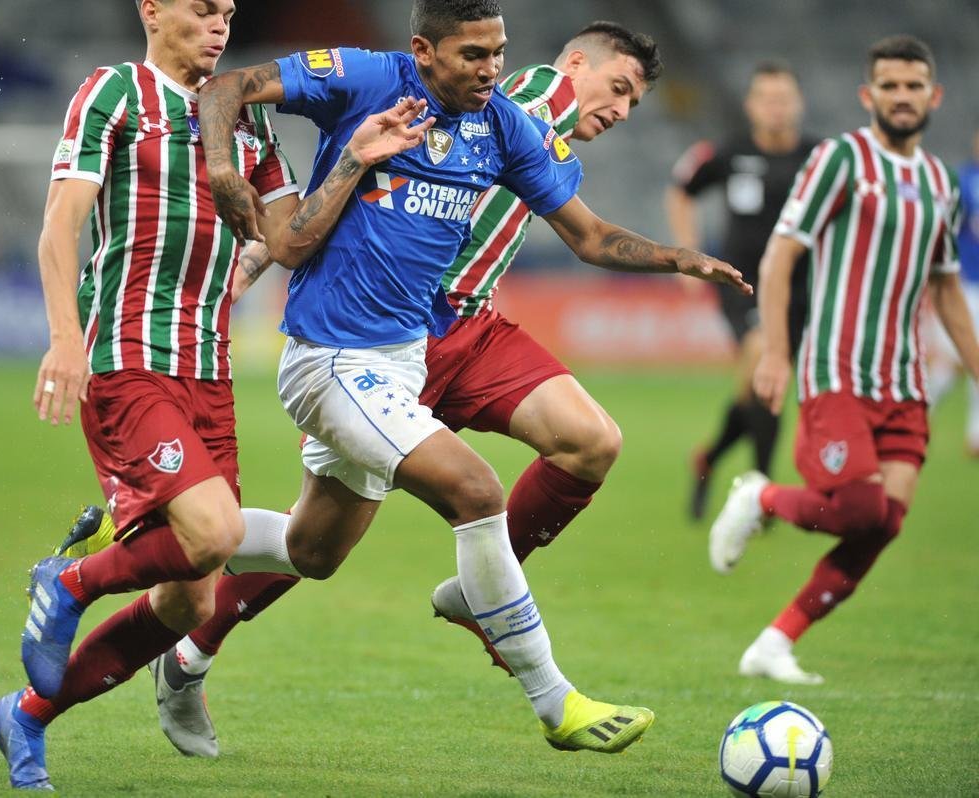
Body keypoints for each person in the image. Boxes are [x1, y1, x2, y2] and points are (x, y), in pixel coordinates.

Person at [160, 0, 747, 757]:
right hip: (367, 342)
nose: (626, 110)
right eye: (621, 87)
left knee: (317, 550)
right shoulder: (474, 96)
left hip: (447, 332)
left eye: (495, 55)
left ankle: (174, 556)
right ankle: (552, 697)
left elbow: (591, 234)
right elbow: (232, 93)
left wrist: (679, 257)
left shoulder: (507, 124)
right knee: (475, 491)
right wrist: (245, 214)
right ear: (574, 66)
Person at [0, 0, 435, 789]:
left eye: (227, 11)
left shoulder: (245, 127)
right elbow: (60, 226)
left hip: (207, 371)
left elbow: (289, 241)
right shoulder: (115, 92)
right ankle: (70, 580)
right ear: (151, 10)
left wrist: (358, 157)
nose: (219, 24)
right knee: (216, 531)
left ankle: (25, 715)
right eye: (200, 9)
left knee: (191, 603)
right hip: (127, 358)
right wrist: (64, 338)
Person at [708, 35, 979, 685]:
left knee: (882, 524)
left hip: (904, 383)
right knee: (859, 511)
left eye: (915, 86)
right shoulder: (841, 160)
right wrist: (776, 350)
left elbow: (945, 288)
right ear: (869, 96)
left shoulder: (942, 184)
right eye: (890, 85)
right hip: (836, 373)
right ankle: (762, 497)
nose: (903, 96)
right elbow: (780, 257)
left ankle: (775, 642)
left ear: (933, 96)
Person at [666, 61, 818, 519]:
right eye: (767, 99)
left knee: (765, 386)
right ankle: (763, 491)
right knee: (761, 352)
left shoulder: (819, 156)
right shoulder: (728, 152)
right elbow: (680, 188)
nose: (776, 108)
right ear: (752, 106)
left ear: (798, 104)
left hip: (800, 289)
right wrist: (686, 254)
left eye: (784, 99)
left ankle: (710, 460)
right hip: (742, 283)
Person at [924, 128, 979, 454]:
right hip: (966, 284)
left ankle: (975, 434)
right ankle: (919, 414)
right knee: (952, 364)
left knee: (960, 362)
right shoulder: (960, 182)